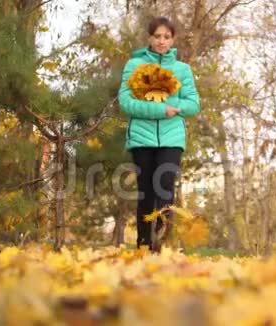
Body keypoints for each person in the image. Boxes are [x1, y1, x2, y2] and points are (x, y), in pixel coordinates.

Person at [117, 16, 200, 252]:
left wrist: (177, 108)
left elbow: (194, 104)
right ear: (150, 38)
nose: (162, 41)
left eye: (166, 37)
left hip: (171, 138)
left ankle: (161, 245)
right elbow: (125, 102)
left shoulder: (182, 70)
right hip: (141, 138)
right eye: (157, 36)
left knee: (165, 189)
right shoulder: (134, 65)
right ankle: (143, 245)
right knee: (146, 193)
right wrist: (160, 110)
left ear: (173, 39)